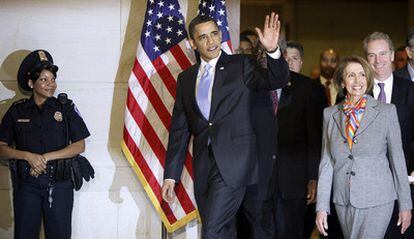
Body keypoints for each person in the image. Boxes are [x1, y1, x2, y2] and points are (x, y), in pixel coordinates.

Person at [161, 13, 289, 238]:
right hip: (203, 166)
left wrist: (272, 52)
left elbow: (275, 80)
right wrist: (170, 176)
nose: (211, 41)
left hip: (236, 162)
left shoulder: (242, 64)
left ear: (220, 35)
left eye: (214, 34)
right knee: (223, 230)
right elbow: (179, 131)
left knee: (213, 230)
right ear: (192, 43)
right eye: (203, 37)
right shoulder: (186, 78)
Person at [315, 55, 412, 238]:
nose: (357, 80)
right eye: (351, 75)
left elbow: (397, 160)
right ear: (342, 81)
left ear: (368, 79)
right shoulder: (330, 114)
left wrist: (405, 205)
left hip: (378, 199)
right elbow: (326, 163)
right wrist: (321, 207)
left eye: (361, 75)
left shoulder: (386, 112)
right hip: (343, 200)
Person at [0, 50, 90, 239]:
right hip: (27, 185)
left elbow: (79, 145)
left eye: (52, 79)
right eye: (43, 80)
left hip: (59, 184)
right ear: (31, 83)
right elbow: (2, 147)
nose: (51, 85)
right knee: (24, 234)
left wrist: (45, 158)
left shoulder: (66, 109)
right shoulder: (17, 111)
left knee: (59, 235)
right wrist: (28, 156)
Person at [363, 31, 414, 238]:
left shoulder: (411, 91)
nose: (378, 61)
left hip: (405, 185)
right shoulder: (355, 92)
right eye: (371, 55)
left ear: (393, 55)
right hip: (365, 188)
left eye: (383, 54)